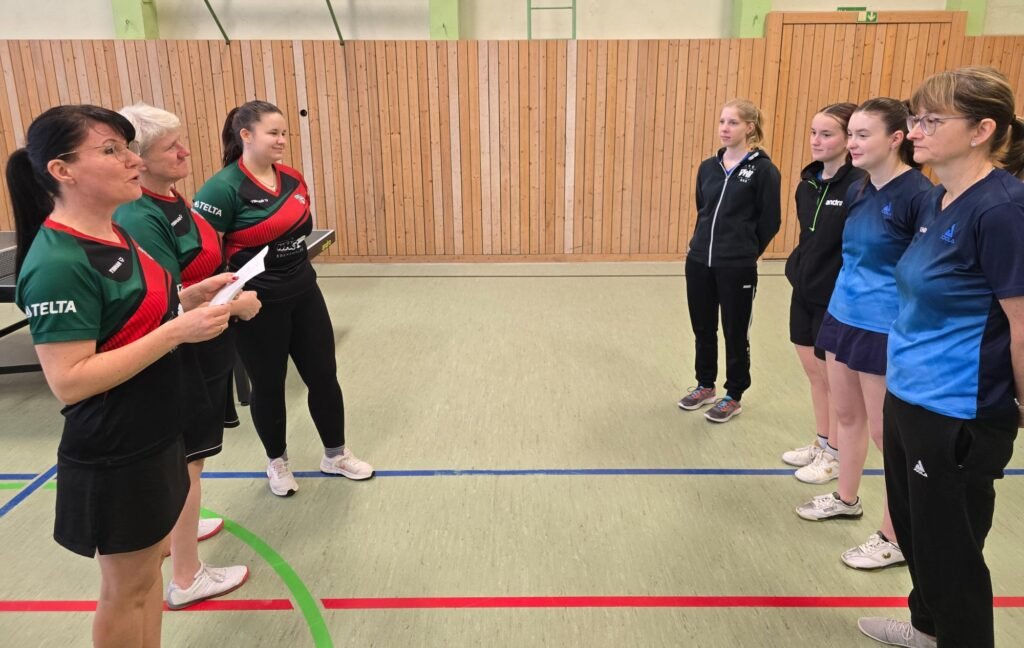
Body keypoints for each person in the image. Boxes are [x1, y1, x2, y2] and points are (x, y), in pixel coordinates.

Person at [8, 104, 232, 646]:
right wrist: (176, 332)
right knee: (126, 591)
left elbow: (131, 317)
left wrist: (188, 299)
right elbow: (70, 380)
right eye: (111, 150)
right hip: (116, 449)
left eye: (128, 147)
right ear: (62, 170)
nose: (133, 160)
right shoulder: (59, 262)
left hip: (157, 430)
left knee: (146, 579)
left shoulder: (113, 233)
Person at [858, 67, 1024, 648]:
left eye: (931, 120)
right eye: (915, 118)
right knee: (917, 534)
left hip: (957, 408)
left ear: (982, 130)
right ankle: (928, 629)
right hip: (909, 393)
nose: (915, 131)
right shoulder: (938, 200)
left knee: (951, 553)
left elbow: (1021, 322)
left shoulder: (1002, 210)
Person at [114, 103, 259, 609]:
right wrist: (237, 304)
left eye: (182, 140)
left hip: (206, 345)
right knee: (187, 463)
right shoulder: (139, 215)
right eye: (169, 146)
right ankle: (187, 577)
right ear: (138, 158)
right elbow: (164, 302)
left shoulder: (174, 199)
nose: (185, 152)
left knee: (190, 460)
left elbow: (191, 278)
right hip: (182, 353)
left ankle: (178, 531)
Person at [192, 100, 373, 496]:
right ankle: (277, 461)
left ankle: (335, 454)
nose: (282, 140)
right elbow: (205, 255)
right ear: (246, 135)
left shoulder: (292, 178)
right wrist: (230, 302)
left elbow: (300, 233)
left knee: (323, 375)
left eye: (284, 133)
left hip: (304, 291)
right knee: (269, 385)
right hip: (257, 304)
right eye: (273, 133)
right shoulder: (221, 189)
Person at [794, 98, 933, 573]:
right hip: (842, 315)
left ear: (896, 138)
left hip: (883, 328)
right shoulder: (860, 188)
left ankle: (895, 536)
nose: (851, 143)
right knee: (846, 415)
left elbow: (924, 272)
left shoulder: (918, 195)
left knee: (885, 435)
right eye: (849, 134)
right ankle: (846, 498)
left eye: (862, 135)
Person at [677, 99, 781, 423]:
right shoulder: (708, 167)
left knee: (735, 332)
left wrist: (745, 251)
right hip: (699, 262)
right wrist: (700, 246)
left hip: (737, 266)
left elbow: (770, 220)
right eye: (722, 121)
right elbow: (703, 209)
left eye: (733, 122)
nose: (725, 128)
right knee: (703, 328)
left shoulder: (764, 170)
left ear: (749, 127)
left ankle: (734, 394)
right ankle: (705, 385)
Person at [782, 103, 865, 484]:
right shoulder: (807, 184)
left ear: (848, 139)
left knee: (835, 382)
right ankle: (822, 442)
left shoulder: (859, 187)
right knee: (814, 375)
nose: (816, 141)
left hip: (835, 298)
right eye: (813, 132)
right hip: (804, 290)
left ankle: (835, 454)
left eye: (826, 134)